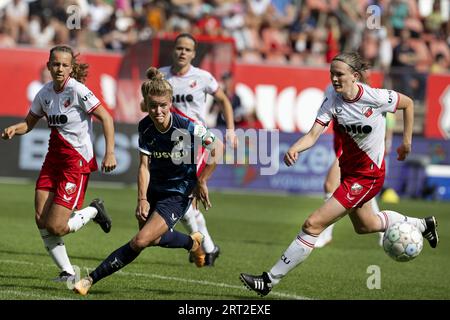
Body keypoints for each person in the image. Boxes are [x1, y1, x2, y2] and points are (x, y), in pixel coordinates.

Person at [239, 52, 439, 297]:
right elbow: (313, 135)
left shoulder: (375, 97)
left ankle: (269, 280)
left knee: (313, 224)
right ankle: (423, 224)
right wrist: (295, 147)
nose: (334, 78)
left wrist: (405, 142)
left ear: (355, 77)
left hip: (368, 177)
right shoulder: (332, 100)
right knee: (366, 226)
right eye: (332, 73)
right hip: (349, 173)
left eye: (339, 74)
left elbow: (407, 103)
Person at [72, 67, 223, 295]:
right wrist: (142, 198)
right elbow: (144, 166)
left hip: (178, 192)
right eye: (153, 105)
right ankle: (192, 243)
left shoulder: (187, 126)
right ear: (146, 103)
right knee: (152, 238)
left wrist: (202, 180)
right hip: (154, 190)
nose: (158, 110)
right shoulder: (145, 126)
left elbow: (217, 146)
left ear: (170, 102)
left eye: (163, 105)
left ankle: (89, 280)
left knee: (140, 241)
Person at [1, 45, 117, 281]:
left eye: (65, 65)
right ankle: (67, 272)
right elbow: (29, 123)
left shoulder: (78, 91)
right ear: (48, 66)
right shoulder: (44, 93)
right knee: (40, 219)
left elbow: (106, 117)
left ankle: (94, 210)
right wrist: (16, 128)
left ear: (71, 68)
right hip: (52, 160)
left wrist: (110, 153)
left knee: (56, 226)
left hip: (76, 163)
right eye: (56, 64)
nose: (60, 68)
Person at [158, 33, 237, 267]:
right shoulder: (161, 75)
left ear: (193, 54)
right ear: (174, 50)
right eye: (179, 48)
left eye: (187, 49)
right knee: (187, 204)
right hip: (171, 143)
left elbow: (223, 100)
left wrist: (230, 130)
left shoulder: (202, 77)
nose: (182, 52)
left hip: (196, 141)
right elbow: (148, 104)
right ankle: (209, 248)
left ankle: (202, 248)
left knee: (184, 199)